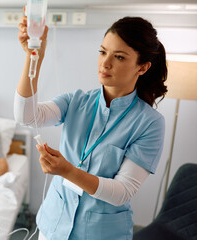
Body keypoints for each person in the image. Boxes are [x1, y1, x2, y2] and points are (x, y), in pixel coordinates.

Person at [14, 16, 167, 240]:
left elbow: (121, 192)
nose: (105, 63)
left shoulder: (149, 123)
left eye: (119, 57)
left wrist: (67, 170)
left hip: (100, 233)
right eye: (103, 52)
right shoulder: (76, 101)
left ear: (142, 67)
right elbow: (26, 117)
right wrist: (33, 57)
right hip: (53, 225)